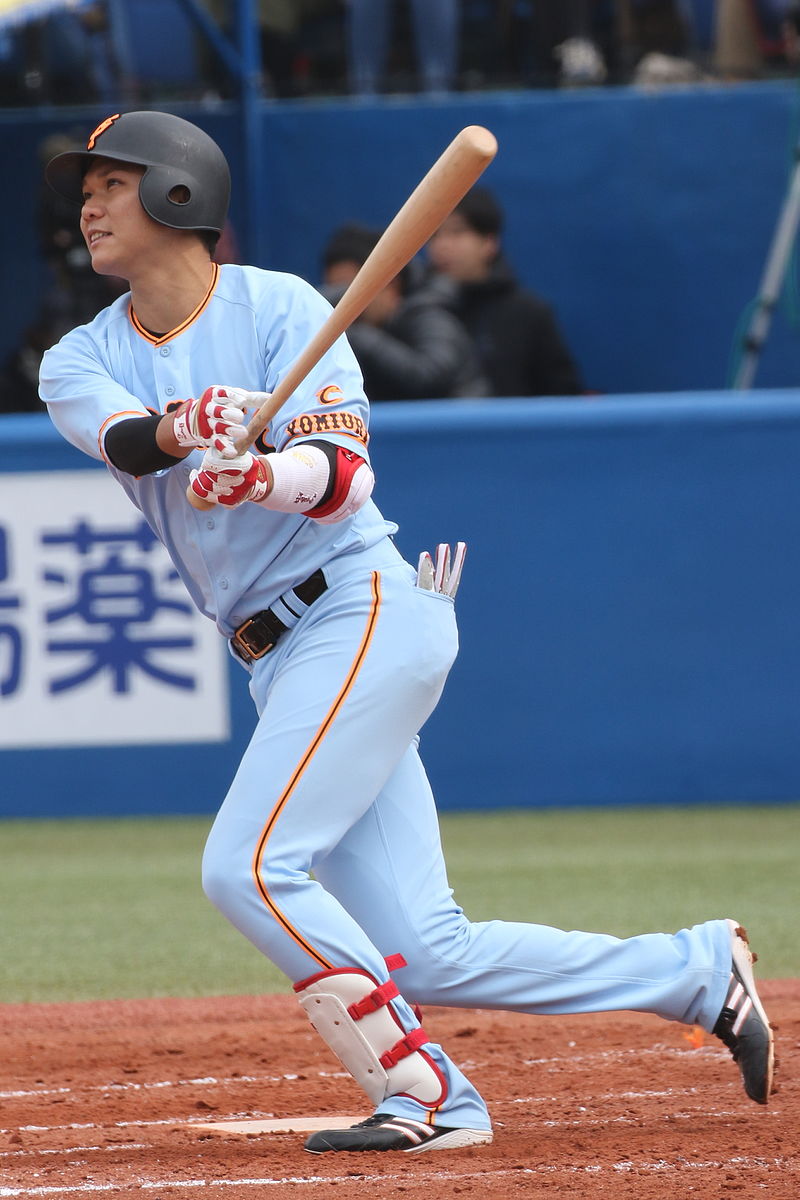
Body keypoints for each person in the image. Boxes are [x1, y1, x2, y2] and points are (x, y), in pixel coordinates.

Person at [39, 109, 774, 1155]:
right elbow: (121, 433)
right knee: (426, 949)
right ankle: (695, 971)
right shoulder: (80, 353)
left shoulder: (284, 307)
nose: (89, 203)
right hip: (276, 651)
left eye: (111, 182)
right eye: (88, 186)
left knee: (247, 868)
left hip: (357, 605)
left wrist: (266, 472)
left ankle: (425, 1092)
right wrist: (191, 425)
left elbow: (342, 474)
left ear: (177, 194)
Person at [426, 185, 585, 399]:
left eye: (457, 232)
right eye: (434, 234)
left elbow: (562, 395)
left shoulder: (528, 314)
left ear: (489, 242)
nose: (442, 245)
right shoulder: (417, 310)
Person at [320, 223, 489, 401]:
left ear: (389, 284)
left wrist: (359, 336)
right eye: (336, 292)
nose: (342, 306)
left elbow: (430, 377)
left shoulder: (428, 314)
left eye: (349, 291)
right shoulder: (360, 338)